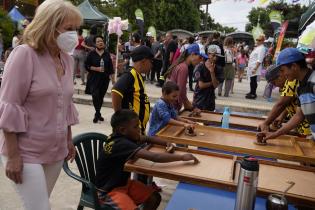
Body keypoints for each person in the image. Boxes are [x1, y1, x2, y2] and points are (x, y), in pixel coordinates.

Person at [0, 1, 81, 209]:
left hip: (55, 150)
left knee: (38, 204)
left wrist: (68, 139)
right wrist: (13, 155)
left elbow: (65, 103)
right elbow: (9, 105)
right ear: (49, 25)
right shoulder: (24, 54)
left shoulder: (67, 61)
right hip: (25, 150)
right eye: (69, 29)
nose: (75, 35)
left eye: (76, 29)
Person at [95, 110, 199, 210]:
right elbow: (155, 157)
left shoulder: (123, 136)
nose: (139, 129)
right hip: (107, 191)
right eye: (136, 127)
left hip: (123, 183)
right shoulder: (121, 144)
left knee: (154, 198)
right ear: (123, 130)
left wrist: (166, 143)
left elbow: (147, 138)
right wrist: (181, 157)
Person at [258, 48, 315, 141]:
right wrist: (274, 135)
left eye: (282, 70)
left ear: (294, 66)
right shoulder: (301, 87)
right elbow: (298, 116)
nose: (282, 74)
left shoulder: (313, 82)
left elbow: (281, 105)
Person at [112, 45, 153, 134]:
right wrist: (120, 118)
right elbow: (116, 91)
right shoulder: (130, 75)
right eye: (151, 62)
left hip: (138, 131)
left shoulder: (139, 76)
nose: (152, 65)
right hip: (131, 133)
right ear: (144, 61)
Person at [85, 35, 114, 123]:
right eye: (98, 41)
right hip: (93, 78)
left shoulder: (107, 54)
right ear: (95, 44)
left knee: (101, 97)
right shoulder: (91, 53)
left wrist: (113, 81)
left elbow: (110, 68)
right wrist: (96, 68)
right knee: (95, 95)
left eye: (101, 41)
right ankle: (97, 113)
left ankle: (97, 114)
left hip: (104, 79)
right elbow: (86, 65)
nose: (100, 43)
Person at [165, 43, 202, 112]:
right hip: (172, 106)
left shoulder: (181, 65)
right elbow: (180, 91)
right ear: (193, 54)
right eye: (199, 57)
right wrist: (192, 108)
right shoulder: (184, 68)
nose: (200, 61)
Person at [193, 45, 221, 111]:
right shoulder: (200, 67)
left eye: (217, 56)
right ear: (208, 54)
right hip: (199, 100)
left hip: (210, 101)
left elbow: (216, 85)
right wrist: (212, 82)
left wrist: (212, 72)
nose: (215, 58)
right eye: (213, 55)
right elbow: (201, 85)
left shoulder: (217, 68)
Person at [246, 35, 266, 99]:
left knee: (253, 81)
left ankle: (253, 94)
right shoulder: (258, 47)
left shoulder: (262, 48)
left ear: (263, 41)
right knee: (252, 81)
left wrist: (255, 68)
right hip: (252, 66)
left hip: (255, 67)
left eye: (259, 40)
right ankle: (251, 92)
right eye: (257, 40)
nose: (257, 41)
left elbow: (259, 59)